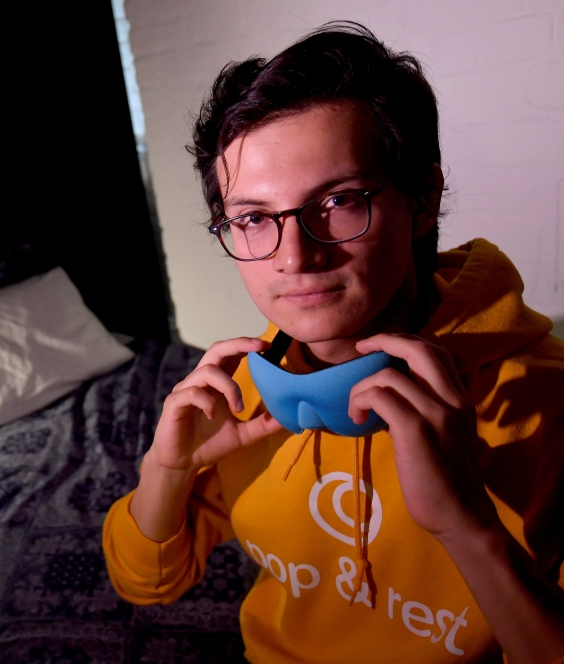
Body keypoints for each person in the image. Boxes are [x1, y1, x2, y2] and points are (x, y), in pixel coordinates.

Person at [102, 22, 564, 664]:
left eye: (339, 201)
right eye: (254, 218)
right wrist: (167, 468)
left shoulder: (549, 399)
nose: (295, 256)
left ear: (423, 200)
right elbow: (147, 581)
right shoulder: (241, 390)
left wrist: (469, 526)